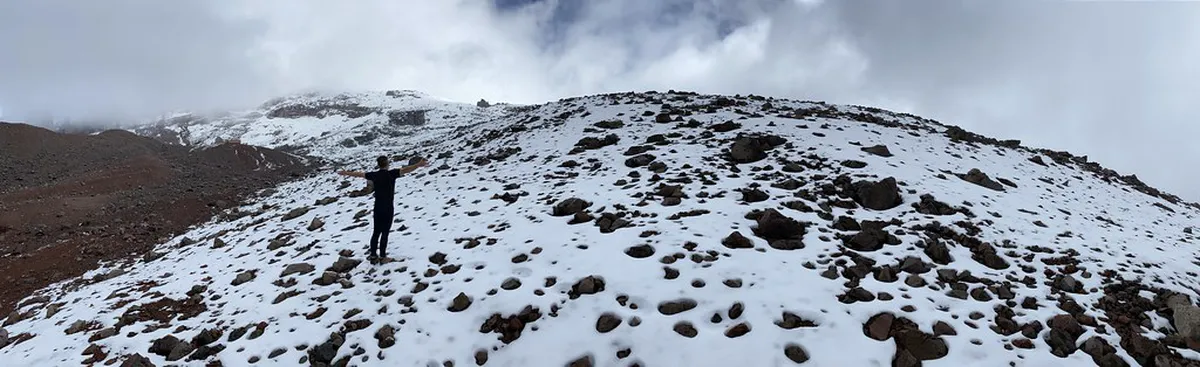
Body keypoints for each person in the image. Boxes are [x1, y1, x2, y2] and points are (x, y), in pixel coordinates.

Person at [337, 155, 429, 264]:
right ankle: (382, 256)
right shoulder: (392, 174)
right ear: (387, 164)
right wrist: (418, 165)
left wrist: (346, 173)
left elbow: (359, 174)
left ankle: (373, 255)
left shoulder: (374, 175)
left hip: (377, 207)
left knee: (376, 232)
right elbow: (406, 169)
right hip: (388, 207)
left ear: (379, 164)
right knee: (385, 232)